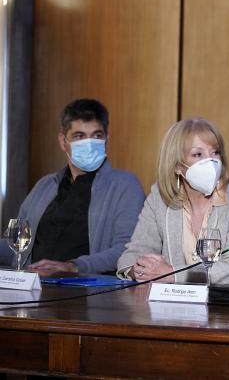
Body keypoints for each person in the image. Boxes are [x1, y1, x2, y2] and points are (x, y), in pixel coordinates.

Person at [0, 98, 145, 275]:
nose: (89, 143)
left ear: (107, 139)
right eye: (79, 136)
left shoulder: (125, 185)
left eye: (97, 135)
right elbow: (14, 244)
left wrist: (72, 266)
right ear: (63, 141)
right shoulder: (44, 185)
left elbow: (128, 251)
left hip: (86, 292)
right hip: (32, 285)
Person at [117, 118, 229, 284]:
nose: (211, 161)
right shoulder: (160, 197)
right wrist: (140, 269)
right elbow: (132, 254)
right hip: (172, 305)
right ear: (177, 166)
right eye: (198, 154)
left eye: (215, 152)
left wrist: (171, 274)